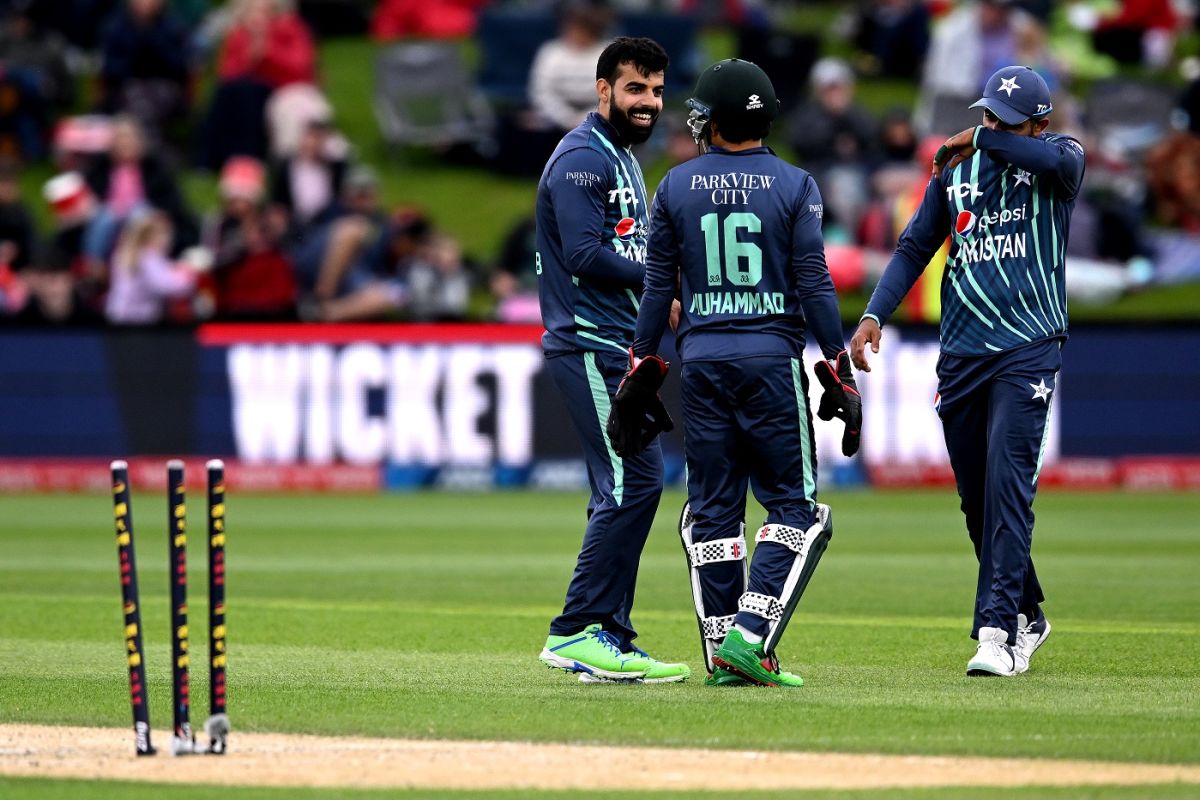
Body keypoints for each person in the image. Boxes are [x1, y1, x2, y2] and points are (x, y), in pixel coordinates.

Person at [610, 59, 862, 688]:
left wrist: (642, 360)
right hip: (770, 361)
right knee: (797, 512)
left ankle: (726, 653)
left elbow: (653, 285)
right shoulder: (797, 184)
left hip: (702, 364)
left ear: (715, 121)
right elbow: (813, 281)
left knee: (714, 516)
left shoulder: (674, 186)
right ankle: (749, 639)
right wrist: (838, 363)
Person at [850, 65, 1084, 677]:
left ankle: (997, 632)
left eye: (1006, 124)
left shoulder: (1062, 160)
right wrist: (876, 312)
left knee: (1009, 483)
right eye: (986, 118)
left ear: (1039, 124)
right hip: (960, 353)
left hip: (1027, 345)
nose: (990, 129)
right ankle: (1029, 612)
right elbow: (913, 247)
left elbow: (1051, 162)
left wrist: (979, 138)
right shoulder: (958, 172)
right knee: (977, 500)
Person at [534, 37, 690, 684]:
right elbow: (583, 254)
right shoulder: (580, 159)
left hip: (616, 345)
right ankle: (573, 631)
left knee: (627, 486)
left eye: (655, 90)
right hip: (587, 342)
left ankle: (610, 639)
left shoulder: (623, 158)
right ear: (603, 90)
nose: (648, 102)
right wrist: (661, 280)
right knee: (635, 482)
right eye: (635, 89)